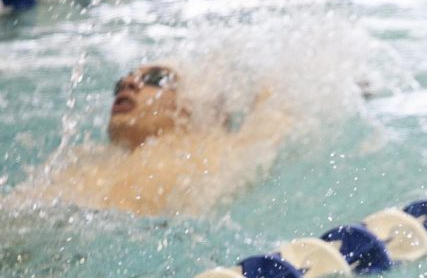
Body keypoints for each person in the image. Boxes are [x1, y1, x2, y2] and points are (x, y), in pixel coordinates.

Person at [21, 62, 293, 216]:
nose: (128, 84)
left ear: (193, 108)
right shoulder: (85, 157)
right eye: (122, 82)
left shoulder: (217, 147)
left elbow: (276, 112)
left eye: (155, 78)